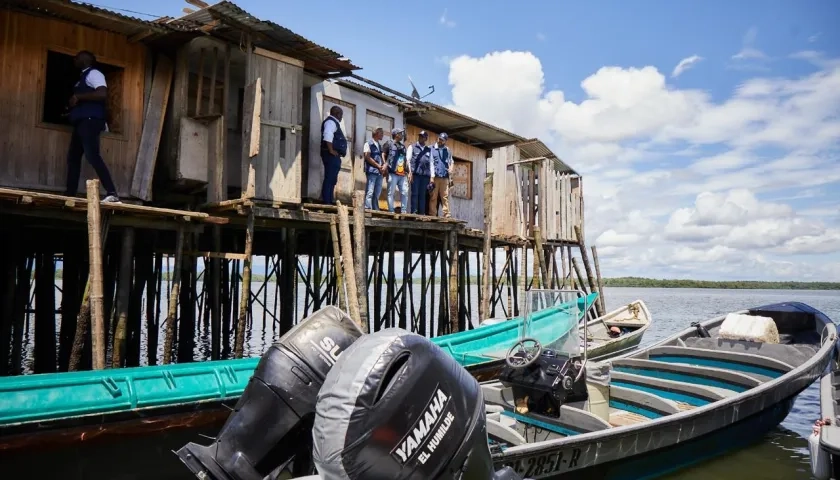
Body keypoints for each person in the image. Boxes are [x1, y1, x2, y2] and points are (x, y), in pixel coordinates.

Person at [65, 50, 120, 203]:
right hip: (81, 121)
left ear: (85, 60)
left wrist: (78, 97)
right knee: (73, 158)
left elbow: (102, 93)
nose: (74, 59)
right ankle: (70, 194)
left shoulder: (94, 74)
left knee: (92, 155)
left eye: (77, 57)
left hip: (90, 120)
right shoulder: (83, 76)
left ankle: (112, 192)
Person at [320, 105, 347, 205]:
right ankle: (326, 201)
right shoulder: (331, 122)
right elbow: (327, 135)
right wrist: (331, 150)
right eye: (341, 115)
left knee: (332, 178)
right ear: (337, 114)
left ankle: (329, 200)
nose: (341, 117)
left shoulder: (333, 122)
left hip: (333, 155)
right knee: (330, 177)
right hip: (330, 154)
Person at [382, 128, 410, 213]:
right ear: (396, 134)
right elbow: (383, 154)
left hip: (402, 174)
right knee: (391, 193)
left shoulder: (402, 146)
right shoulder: (389, 143)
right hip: (392, 173)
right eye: (400, 133)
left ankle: (404, 211)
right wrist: (385, 166)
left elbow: (405, 160)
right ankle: (391, 210)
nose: (402, 135)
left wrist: (408, 171)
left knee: (405, 192)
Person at [429, 132, 453, 218]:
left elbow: (451, 161)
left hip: (445, 177)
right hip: (435, 177)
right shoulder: (432, 148)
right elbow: (431, 163)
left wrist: (451, 168)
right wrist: (431, 177)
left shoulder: (447, 150)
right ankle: (432, 214)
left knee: (444, 197)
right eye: (439, 139)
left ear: (445, 141)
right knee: (433, 196)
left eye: (442, 140)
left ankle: (446, 213)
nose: (440, 141)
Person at [408, 131, 432, 215]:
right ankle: (414, 212)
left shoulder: (428, 150)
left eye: (423, 137)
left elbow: (431, 163)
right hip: (415, 175)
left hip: (425, 176)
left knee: (422, 195)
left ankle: (421, 214)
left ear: (426, 138)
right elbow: (408, 160)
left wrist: (431, 177)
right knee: (415, 194)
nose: (420, 138)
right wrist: (410, 173)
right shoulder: (412, 147)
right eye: (420, 136)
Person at [362, 127, 387, 210]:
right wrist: (378, 166)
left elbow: (380, 157)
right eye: (381, 133)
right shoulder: (368, 144)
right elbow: (367, 157)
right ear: (376, 133)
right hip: (372, 171)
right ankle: (367, 208)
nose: (383, 134)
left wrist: (383, 167)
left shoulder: (379, 145)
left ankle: (375, 209)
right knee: (370, 191)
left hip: (379, 172)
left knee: (377, 192)